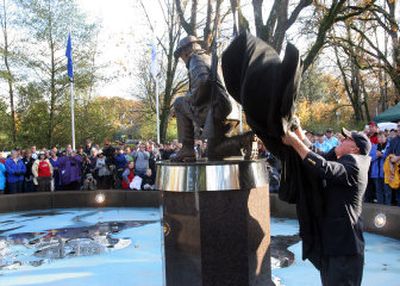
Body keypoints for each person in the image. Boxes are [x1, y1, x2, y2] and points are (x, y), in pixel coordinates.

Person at [282, 126, 371, 286]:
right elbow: (321, 156)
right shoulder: (350, 160)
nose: (342, 139)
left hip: (344, 249)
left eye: (347, 138)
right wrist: (300, 134)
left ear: (355, 148)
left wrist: (295, 143)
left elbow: (323, 167)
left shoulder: (355, 163)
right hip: (336, 246)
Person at [173, 35, 252, 161]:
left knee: (178, 103)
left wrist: (189, 99)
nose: (182, 59)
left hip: (215, 111)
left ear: (185, 51)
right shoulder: (209, 59)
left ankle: (187, 148)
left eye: (181, 55)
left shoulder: (195, 59)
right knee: (214, 152)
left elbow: (202, 82)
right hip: (231, 113)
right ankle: (242, 140)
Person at [370, 132, 390, 205]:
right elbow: (370, 158)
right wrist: (376, 156)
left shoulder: (389, 146)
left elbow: (390, 157)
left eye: (382, 137)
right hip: (376, 173)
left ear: (386, 137)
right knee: (378, 192)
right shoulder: (374, 147)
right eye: (379, 137)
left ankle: (388, 208)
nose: (380, 139)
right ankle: (380, 207)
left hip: (386, 173)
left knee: (387, 192)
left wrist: (382, 155)